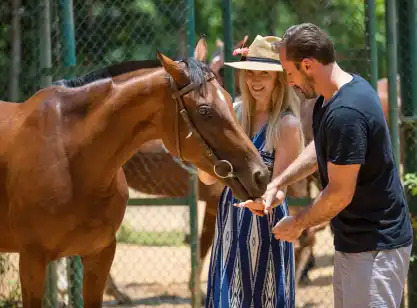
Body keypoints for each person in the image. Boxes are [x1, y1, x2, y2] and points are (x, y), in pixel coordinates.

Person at [238, 23, 413, 308]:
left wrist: (296, 224)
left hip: (375, 249)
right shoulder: (333, 96)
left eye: (290, 73)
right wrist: (277, 182)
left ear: (308, 65)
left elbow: (339, 194)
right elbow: (319, 146)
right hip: (355, 244)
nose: (289, 82)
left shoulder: (347, 113)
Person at [198, 35, 304, 308]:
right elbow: (207, 178)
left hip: (267, 226)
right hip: (230, 221)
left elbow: (280, 187)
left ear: (278, 79)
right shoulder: (232, 113)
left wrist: (265, 200)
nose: (255, 81)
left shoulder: (287, 124)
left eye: (264, 75)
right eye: (250, 74)